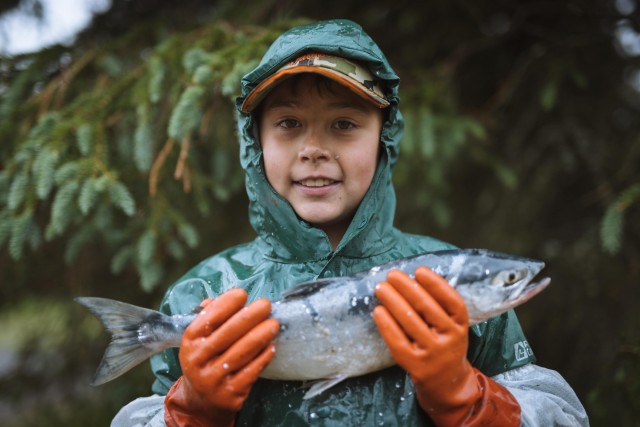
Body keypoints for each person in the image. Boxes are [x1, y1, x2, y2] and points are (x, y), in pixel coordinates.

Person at [112, 19, 589, 426]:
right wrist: (191, 410)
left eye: (343, 124)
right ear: (255, 143)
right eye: (288, 123)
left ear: (385, 138)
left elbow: (560, 412)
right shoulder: (205, 293)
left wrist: (470, 397)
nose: (314, 148)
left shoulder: (447, 280)